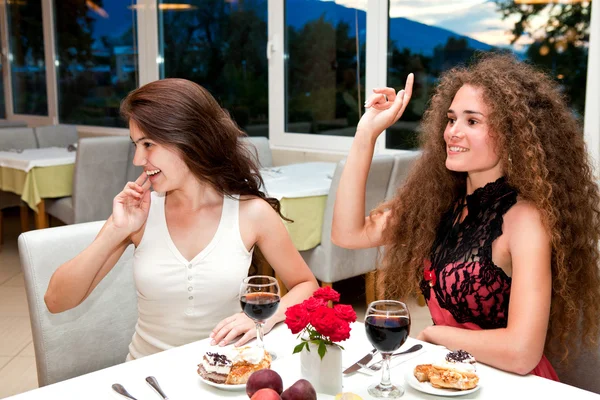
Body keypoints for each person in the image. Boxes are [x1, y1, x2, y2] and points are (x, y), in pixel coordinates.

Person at [331, 53, 600, 379]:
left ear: (512, 134)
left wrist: (435, 336)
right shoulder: (439, 202)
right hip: (452, 373)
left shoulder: (526, 220)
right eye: (451, 119)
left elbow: (521, 354)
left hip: (512, 385)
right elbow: (347, 234)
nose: (452, 132)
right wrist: (366, 133)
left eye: (472, 121)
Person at [44, 78, 318, 360]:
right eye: (136, 145)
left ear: (190, 139)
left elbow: (307, 286)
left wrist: (264, 318)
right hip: (148, 377)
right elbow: (56, 301)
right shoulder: (141, 214)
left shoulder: (251, 213)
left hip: (224, 372)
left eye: (148, 144)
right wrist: (115, 230)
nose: (138, 159)